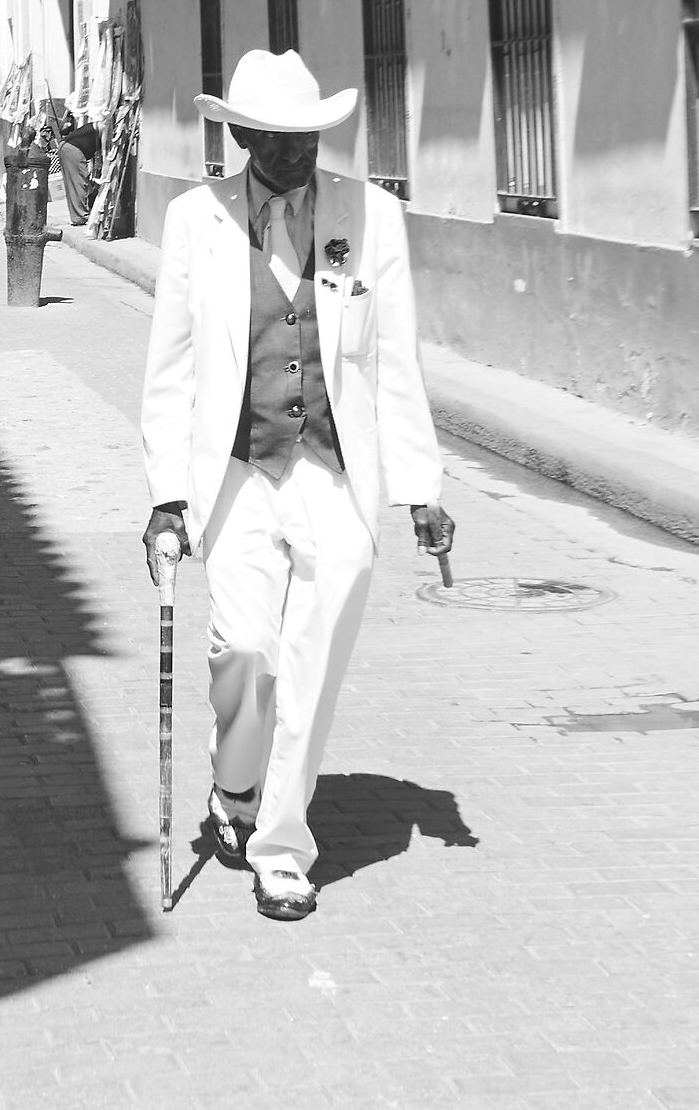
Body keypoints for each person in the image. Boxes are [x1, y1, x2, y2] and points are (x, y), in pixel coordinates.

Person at [139, 49, 455, 923]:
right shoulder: (196, 220)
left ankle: (282, 847)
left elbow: (394, 360)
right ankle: (235, 788)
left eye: (309, 139)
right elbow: (168, 368)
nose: (296, 155)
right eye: (276, 141)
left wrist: (422, 483)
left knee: (310, 669)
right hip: (240, 470)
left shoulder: (372, 217)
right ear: (241, 136)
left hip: (335, 474)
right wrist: (168, 491)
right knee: (244, 657)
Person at [59, 108, 103, 225]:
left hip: (68, 147)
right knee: (79, 182)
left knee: (78, 182)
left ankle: (79, 215)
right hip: (73, 149)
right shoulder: (103, 126)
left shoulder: (96, 126)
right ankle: (80, 216)